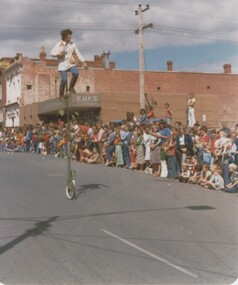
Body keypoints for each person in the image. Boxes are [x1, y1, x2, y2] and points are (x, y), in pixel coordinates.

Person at [51, 28, 88, 98]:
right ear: (65, 36)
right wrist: (58, 54)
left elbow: (78, 53)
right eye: (69, 36)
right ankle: (61, 95)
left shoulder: (73, 44)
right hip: (62, 64)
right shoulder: (59, 44)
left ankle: (71, 87)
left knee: (76, 73)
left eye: (71, 36)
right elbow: (51, 53)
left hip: (70, 63)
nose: (70, 38)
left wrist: (84, 62)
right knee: (64, 80)